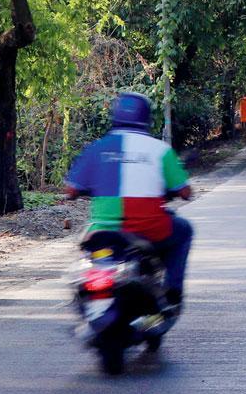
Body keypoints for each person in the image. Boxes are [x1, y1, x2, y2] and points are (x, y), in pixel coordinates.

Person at [64, 92, 194, 309]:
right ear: (147, 119)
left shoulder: (96, 148)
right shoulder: (160, 150)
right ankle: (172, 292)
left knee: (86, 253)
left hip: (103, 229)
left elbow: (70, 189)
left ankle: (84, 302)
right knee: (184, 230)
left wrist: (85, 190)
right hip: (150, 229)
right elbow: (185, 191)